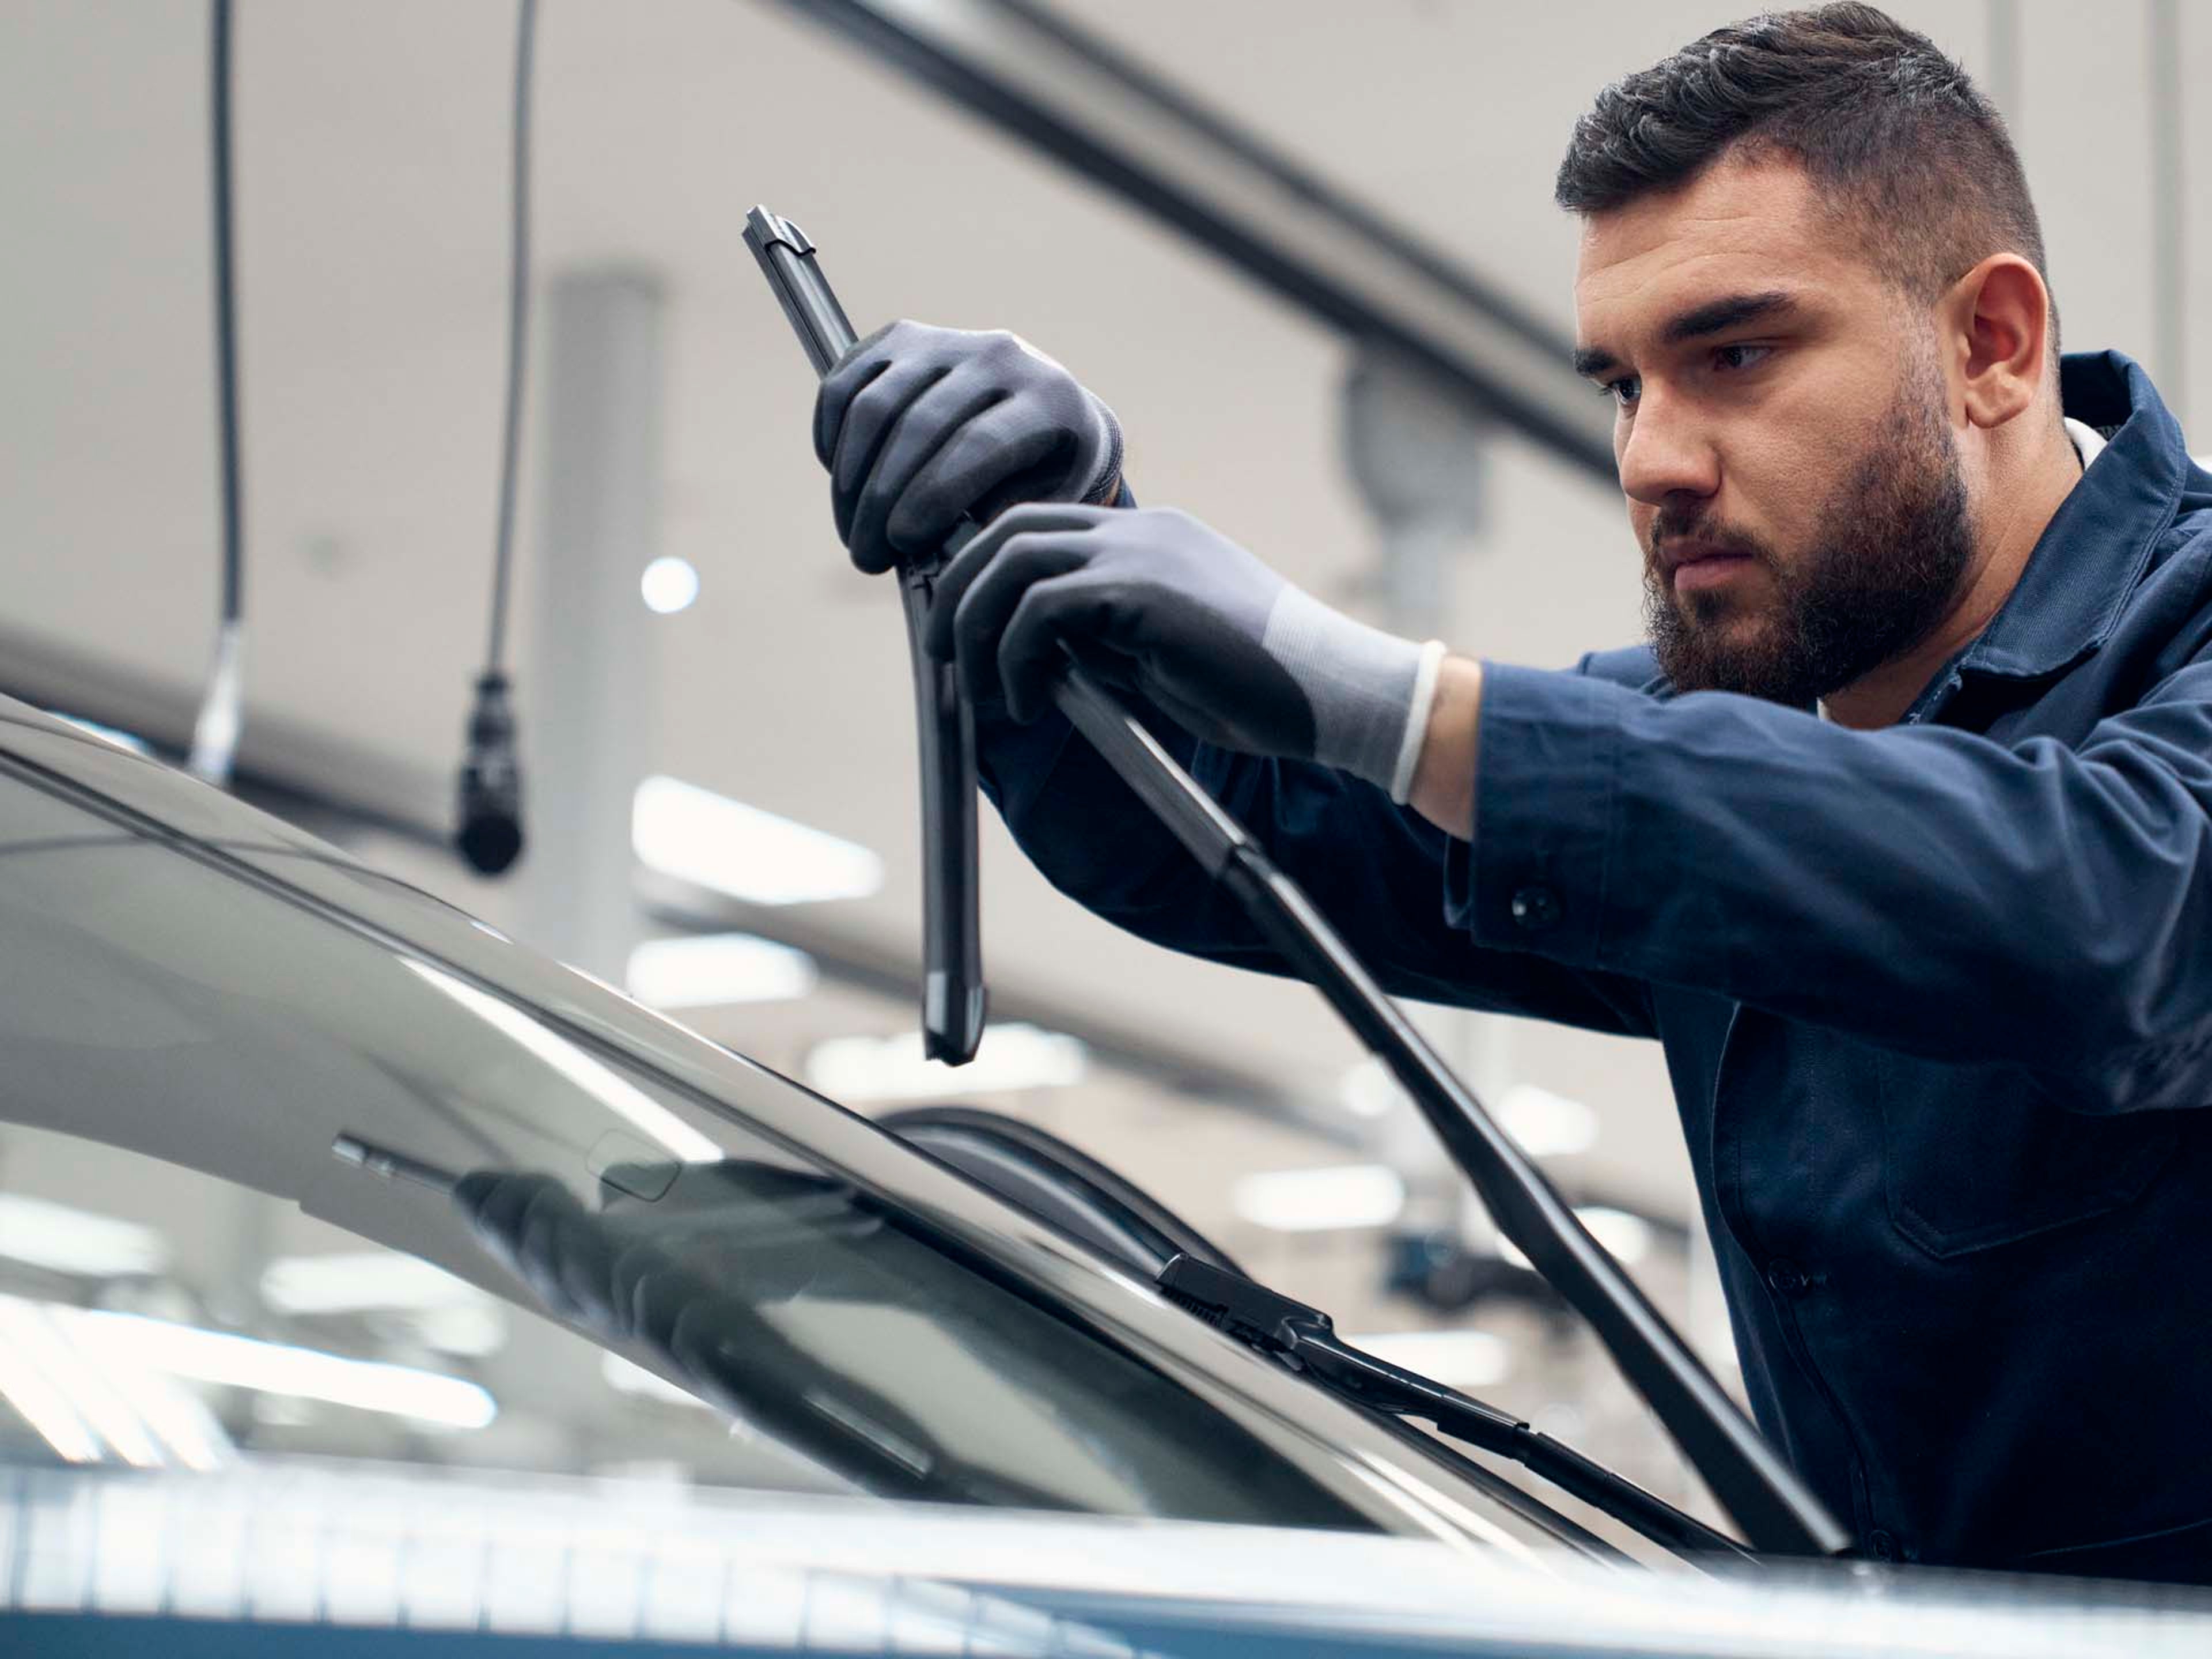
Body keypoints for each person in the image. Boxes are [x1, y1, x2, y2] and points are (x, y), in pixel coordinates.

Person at [809, 3, 2212, 1582]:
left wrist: (1391, 697)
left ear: (1991, 345)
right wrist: (1050, 544)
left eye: (1736, 354)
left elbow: (2118, 909)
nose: (1653, 460)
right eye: (1623, 385)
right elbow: (1227, 834)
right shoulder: (1706, 737)